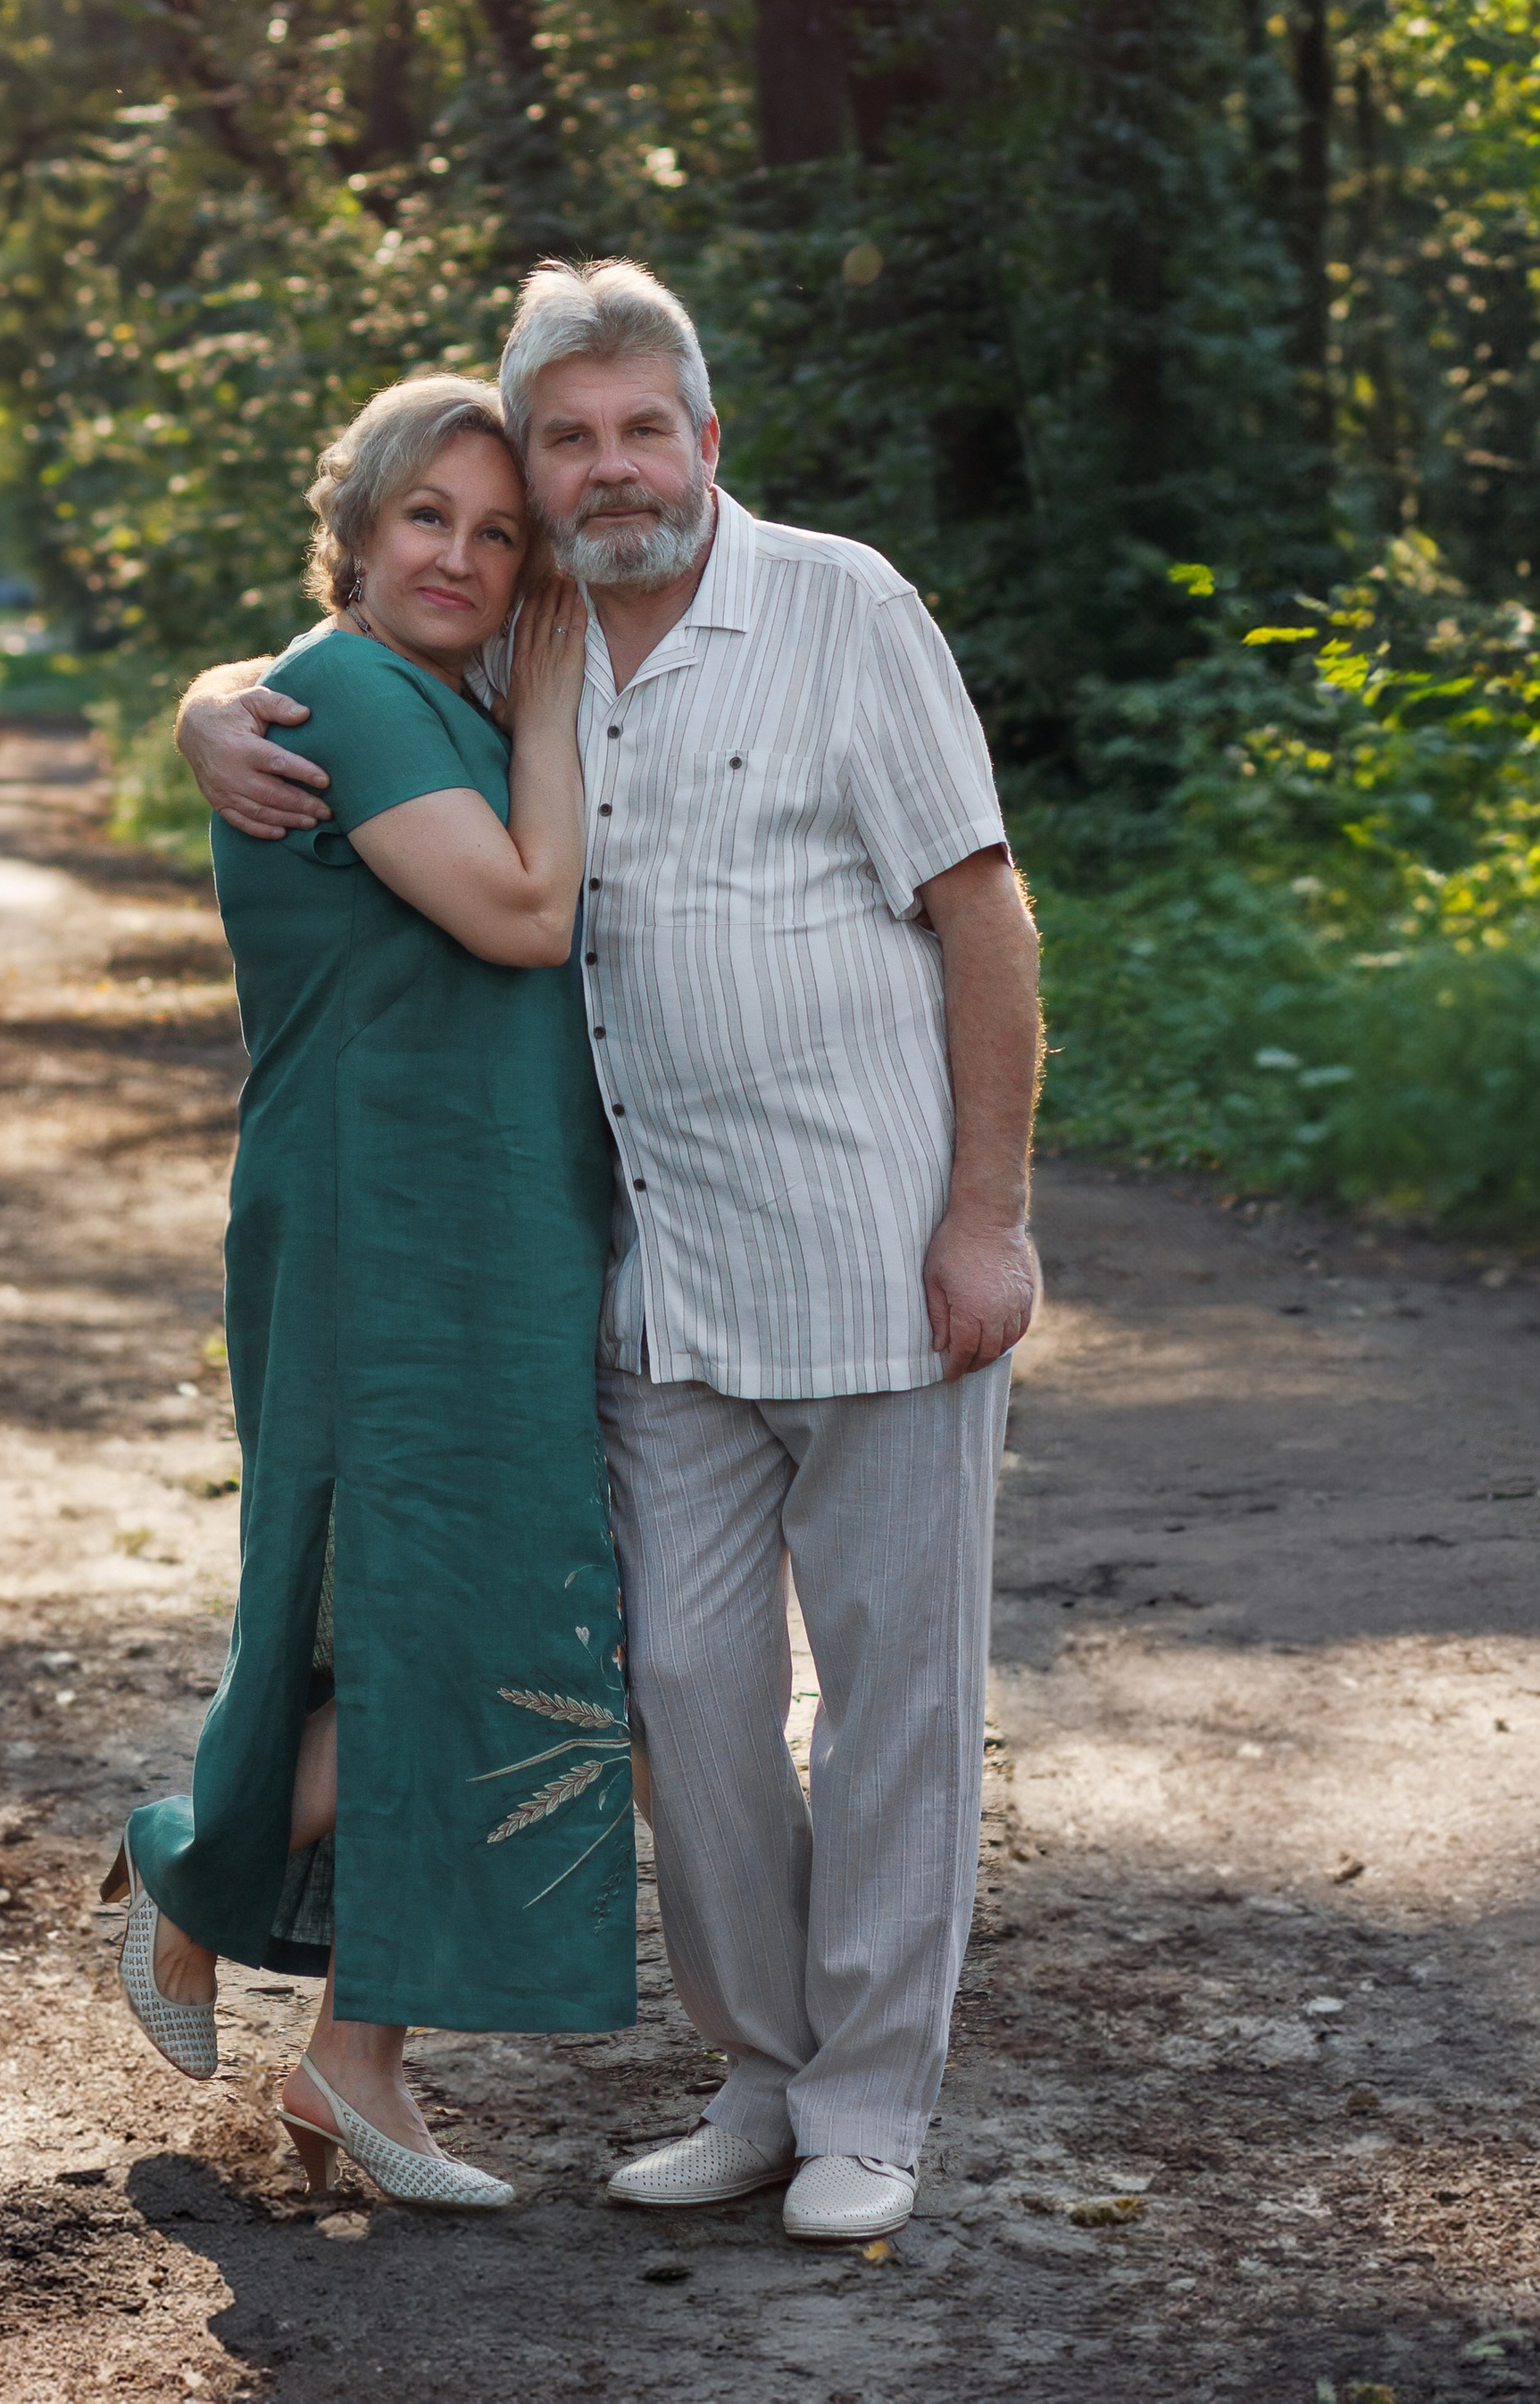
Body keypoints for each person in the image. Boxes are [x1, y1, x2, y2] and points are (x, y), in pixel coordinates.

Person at [177, 259, 1042, 2247]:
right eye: (564, 438)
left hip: (878, 1260)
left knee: (898, 1701)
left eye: (641, 426)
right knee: (682, 1695)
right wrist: (209, 705)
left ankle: (867, 2105)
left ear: (705, 438)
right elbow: (345, 651)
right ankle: (761, 2072)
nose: (605, 466)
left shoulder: (840, 605)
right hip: (652, 1290)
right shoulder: (518, 648)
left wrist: (985, 1213)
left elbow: (980, 910)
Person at [105, 371, 636, 2214]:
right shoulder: (344, 689)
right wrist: (548, 693)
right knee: (456, 1630)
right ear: (355, 528)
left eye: (499, 536)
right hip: (377, 1230)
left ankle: (335, 2035)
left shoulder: (431, 696)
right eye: (429, 516)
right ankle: (215, 1887)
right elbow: (522, 912)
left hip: (491, 1226)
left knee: (488, 1629)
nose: (464, 557)